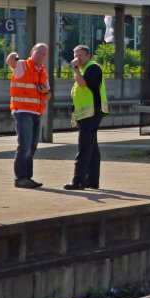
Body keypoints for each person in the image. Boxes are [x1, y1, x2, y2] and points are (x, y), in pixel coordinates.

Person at [7, 43, 51, 189]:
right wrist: (12, 55)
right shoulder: (22, 66)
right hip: (23, 111)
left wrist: (45, 92)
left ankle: (27, 177)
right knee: (24, 147)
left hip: (36, 113)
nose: (40, 56)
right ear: (31, 52)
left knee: (31, 148)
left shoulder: (43, 71)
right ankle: (20, 178)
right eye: (38, 52)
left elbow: (48, 95)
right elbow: (11, 62)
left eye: (43, 54)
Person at [66, 45, 107, 190]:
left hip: (91, 113)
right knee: (92, 148)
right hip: (87, 114)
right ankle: (92, 181)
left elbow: (83, 84)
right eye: (75, 55)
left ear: (89, 56)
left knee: (84, 147)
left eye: (80, 55)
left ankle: (78, 182)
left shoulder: (92, 68)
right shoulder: (84, 69)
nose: (77, 58)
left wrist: (75, 69)